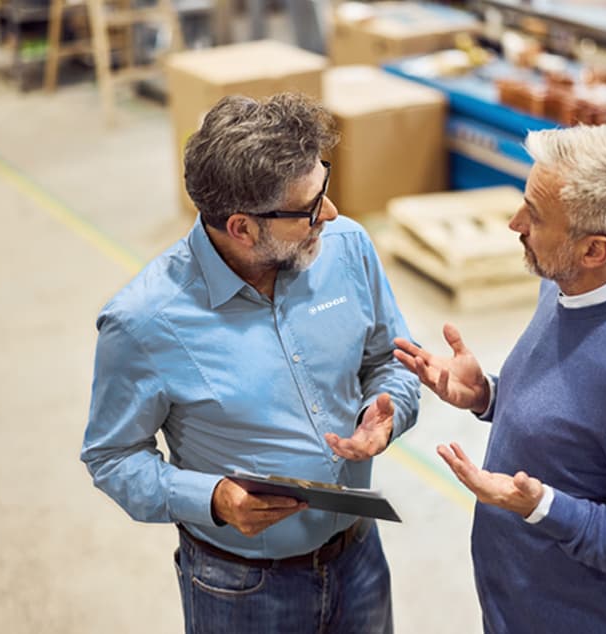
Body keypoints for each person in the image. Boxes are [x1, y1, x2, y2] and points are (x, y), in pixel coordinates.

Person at [81, 93, 420, 634]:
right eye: (309, 208)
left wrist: (390, 410)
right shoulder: (144, 322)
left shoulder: (347, 248)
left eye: (323, 188)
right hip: (242, 589)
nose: (329, 214)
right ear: (242, 227)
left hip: (359, 559)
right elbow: (112, 456)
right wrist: (210, 498)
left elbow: (390, 359)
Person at [394, 125, 606, 634]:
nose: (515, 223)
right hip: (518, 605)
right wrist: (487, 395)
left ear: (594, 250)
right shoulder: (568, 285)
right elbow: (577, 416)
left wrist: (545, 507)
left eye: (534, 217)